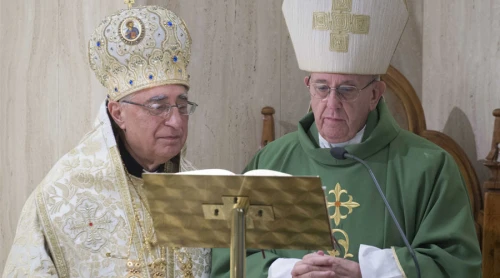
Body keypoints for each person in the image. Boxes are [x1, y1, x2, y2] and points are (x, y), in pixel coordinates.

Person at [211, 0, 482, 277]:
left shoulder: (430, 166)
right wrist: (288, 271)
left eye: (347, 89)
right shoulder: (270, 162)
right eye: (321, 87)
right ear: (308, 87)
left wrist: (367, 272)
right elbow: (227, 257)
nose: (332, 103)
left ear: (375, 94)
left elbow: (456, 265)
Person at [3, 4, 211, 278]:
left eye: (182, 105)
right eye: (158, 106)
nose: (175, 121)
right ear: (118, 113)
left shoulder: (201, 189)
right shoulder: (62, 197)